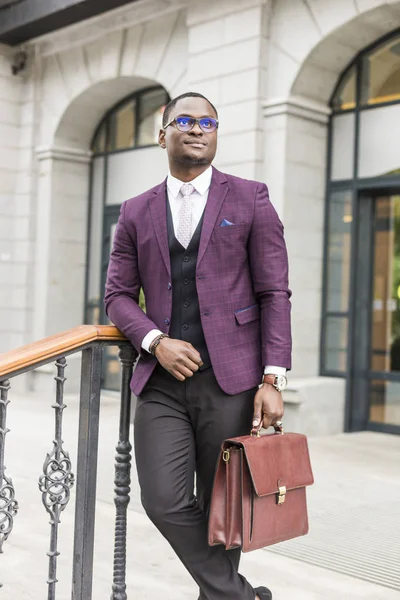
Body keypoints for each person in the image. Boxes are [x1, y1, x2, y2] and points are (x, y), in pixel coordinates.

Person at [104, 92, 292, 600]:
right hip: (162, 383)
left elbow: (275, 292)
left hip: (232, 381)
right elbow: (117, 296)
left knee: (221, 511)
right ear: (161, 134)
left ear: (216, 133)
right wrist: (154, 340)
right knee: (162, 499)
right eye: (184, 120)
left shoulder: (250, 197)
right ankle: (241, 595)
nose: (197, 129)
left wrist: (273, 379)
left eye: (208, 122)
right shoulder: (136, 210)